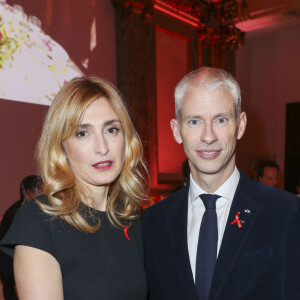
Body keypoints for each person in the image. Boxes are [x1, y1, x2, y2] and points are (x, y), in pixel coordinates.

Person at [142, 67, 300, 300]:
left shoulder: (286, 213)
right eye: (194, 121)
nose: (208, 136)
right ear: (176, 131)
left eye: (221, 120)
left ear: (241, 125)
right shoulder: (152, 222)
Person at [0, 76, 148, 300]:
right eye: (82, 133)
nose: (103, 147)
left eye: (112, 130)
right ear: (61, 148)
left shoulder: (129, 215)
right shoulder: (38, 222)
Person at [0, 175, 43, 300]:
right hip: (12, 265)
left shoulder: (23, 210)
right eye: (40, 191)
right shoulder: (21, 212)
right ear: (28, 192)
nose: (45, 196)